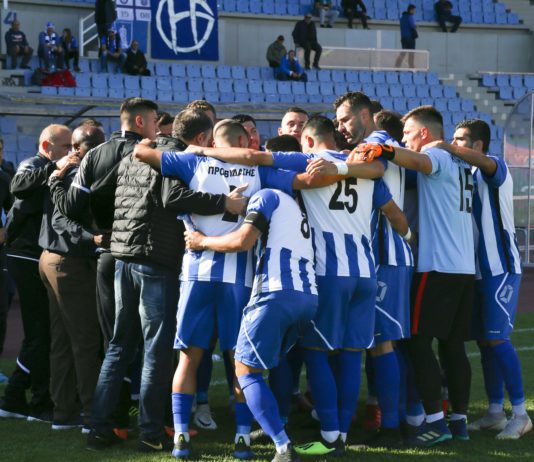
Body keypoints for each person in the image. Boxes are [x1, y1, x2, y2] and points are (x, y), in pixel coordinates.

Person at [354, 105, 475, 446]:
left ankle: (433, 422)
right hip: (464, 267)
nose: (404, 139)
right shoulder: (462, 162)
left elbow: (419, 162)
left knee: (417, 343)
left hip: (438, 266)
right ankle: (459, 422)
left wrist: (383, 148)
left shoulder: (436, 153)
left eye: (407, 133)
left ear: (424, 133)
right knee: (453, 347)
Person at [185, 188, 318, 462]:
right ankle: (281, 425)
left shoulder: (267, 195)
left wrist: (202, 241)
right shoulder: (296, 206)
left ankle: (282, 446)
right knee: (275, 362)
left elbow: (243, 241)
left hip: (275, 293)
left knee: (245, 371)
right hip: (307, 294)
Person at [426, 120, 532, 440]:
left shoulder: (493, 165)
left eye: (461, 140)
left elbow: (487, 165)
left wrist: (443, 146)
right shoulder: (465, 173)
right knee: (485, 341)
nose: (454, 142)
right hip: (476, 270)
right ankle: (495, 411)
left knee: (498, 339)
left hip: (499, 268)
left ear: (478, 145)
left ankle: (521, 415)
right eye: (453, 138)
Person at [334, 92, 414, 447]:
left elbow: (376, 169)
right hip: (376, 258)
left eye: (346, 119)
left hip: (386, 257)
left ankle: (394, 426)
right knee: (375, 344)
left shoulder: (378, 140)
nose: (341, 127)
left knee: (382, 343)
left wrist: (338, 166)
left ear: (366, 115)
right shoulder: (376, 142)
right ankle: (390, 418)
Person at [0, 125, 74, 423]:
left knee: (43, 332)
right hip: (26, 255)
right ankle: (34, 401)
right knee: (40, 332)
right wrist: (56, 168)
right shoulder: (33, 164)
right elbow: (19, 185)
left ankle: (19, 398)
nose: (71, 151)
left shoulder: (51, 167)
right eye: (65, 146)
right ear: (46, 146)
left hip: (34, 254)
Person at [40, 126, 105, 431]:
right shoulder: (77, 173)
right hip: (70, 262)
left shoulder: (64, 171)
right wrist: (92, 238)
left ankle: (64, 412)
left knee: (64, 340)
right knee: (85, 339)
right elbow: (61, 219)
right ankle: (92, 416)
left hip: (53, 257)